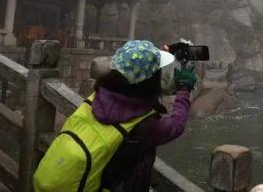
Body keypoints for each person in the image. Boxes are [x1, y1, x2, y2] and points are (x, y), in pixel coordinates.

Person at [33, 40, 197, 192]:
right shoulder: (144, 126)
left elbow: (135, 74)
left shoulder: (97, 96)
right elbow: (176, 124)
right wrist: (184, 88)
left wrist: (150, 58)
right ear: (151, 80)